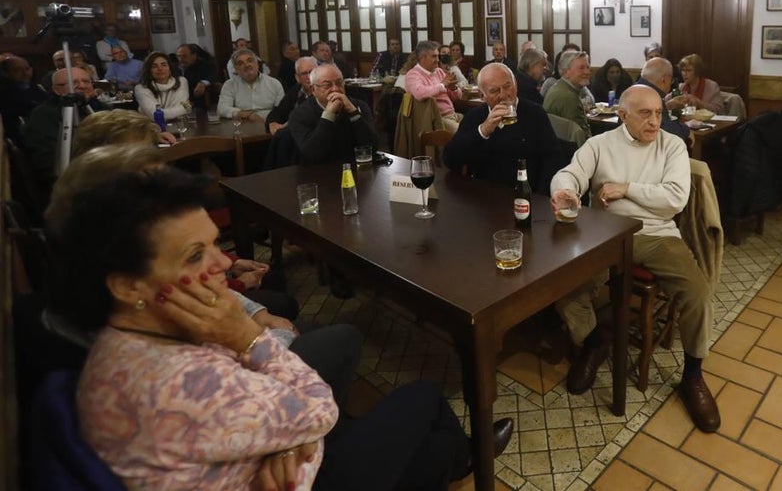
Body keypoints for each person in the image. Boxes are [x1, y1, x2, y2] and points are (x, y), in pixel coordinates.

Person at [48, 164, 512, 491]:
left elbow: (260, 416)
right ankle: (464, 459)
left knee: (424, 445)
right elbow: (319, 411)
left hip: (256, 453)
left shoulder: (134, 334)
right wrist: (248, 338)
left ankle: (450, 460)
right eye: (195, 255)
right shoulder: (173, 384)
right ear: (128, 285)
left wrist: (281, 440)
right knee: (426, 396)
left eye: (215, 244)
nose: (221, 263)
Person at [549, 85, 720, 433]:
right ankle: (594, 342)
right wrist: (564, 189)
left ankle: (692, 375)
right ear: (622, 115)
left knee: (698, 295)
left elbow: (673, 200)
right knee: (562, 287)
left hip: (656, 235)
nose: (655, 121)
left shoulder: (671, 145)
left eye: (659, 113)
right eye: (645, 113)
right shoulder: (600, 144)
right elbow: (571, 173)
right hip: (605, 235)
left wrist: (625, 188)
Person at [445, 63, 561, 192]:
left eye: (507, 86)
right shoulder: (475, 116)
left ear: (515, 84)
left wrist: (540, 197)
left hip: (525, 195)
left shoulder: (535, 113)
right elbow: (451, 161)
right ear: (482, 95)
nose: (503, 95)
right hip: (483, 198)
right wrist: (482, 131)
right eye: (494, 91)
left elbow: (552, 159)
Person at [22, 66, 108, 184]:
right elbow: (47, 160)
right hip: (72, 180)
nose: (82, 86)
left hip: (107, 168)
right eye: (74, 83)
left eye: (86, 81)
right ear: (57, 90)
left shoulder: (100, 108)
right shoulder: (44, 114)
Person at [289, 64, 379, 164]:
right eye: (327, 85)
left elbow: (373, 147)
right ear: (313, 90)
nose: (335, 89)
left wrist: (353, 113)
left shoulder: (359, 106)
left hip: (355, 168)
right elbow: (312, 154)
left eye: (339, 83)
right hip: (319, 173)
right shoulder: (300, 114)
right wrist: (328, 115)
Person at [404, 40, 464, 133]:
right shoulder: (412, 75)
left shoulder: (439, 71)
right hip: (436, 120)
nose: (438, 60)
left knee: (479, 126)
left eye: (437, 56)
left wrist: (454, 88)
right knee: (465, 135)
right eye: (434, 56)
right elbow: (420, 94)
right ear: (422, 58)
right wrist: (442, 85)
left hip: (452, 114)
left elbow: (457, 97)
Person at [634, 57, 691, 146]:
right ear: (664, 79)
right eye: (671, 79)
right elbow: (672, 133)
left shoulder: (632, 91)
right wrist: (687, 130)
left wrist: (667, 106)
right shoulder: (653, 97)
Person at [218, 49, 285, 123]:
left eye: (250, 60)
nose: (247, 65)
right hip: (242, 124)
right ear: (236, 69)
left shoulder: (274, 83)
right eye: (240, 63)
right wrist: (247, 115)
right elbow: (222, 109)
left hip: (270, 124)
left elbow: (282, 109)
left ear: (257, 64)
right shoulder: (229, 85)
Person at [542, 49, 592, 140]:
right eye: (581, 68)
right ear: (566, 72)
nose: (587, 72)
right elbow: (583, 137)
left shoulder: (558, 87)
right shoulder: (568, 97)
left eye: (588, 67)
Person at [0, 55, 47, 142]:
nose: (25, 73)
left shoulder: (36, 88)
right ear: (5, 73)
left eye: (27, 69)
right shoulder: (4, 94)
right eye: (17, 70)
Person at [134, 51, 191, 122]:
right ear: (149, 71)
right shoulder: (141, 88)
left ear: (169, 68)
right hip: (152, 128)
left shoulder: (182, 81)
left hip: (178, 125)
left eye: (163, 65)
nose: (160, 69)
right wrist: (183, 109)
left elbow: (181, 114)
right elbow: (154, 116)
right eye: (154, 66)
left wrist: (163, 113)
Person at [267, 55, 317, 135]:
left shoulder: (324, 91)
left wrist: (288, 125)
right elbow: (279, 110)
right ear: (297, 78)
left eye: (312, 72)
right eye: (304, 73)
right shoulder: (296, 90)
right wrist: (272, 122)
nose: (309, 76)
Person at [175, 43, 217, 112]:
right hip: (176, 102)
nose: (181, 59)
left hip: (194, 103)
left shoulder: (204, 65)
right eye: (179, 56)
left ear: (194, 56)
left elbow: (212, 76)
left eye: (184, 56)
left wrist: (203, 83)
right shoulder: (174, 68)